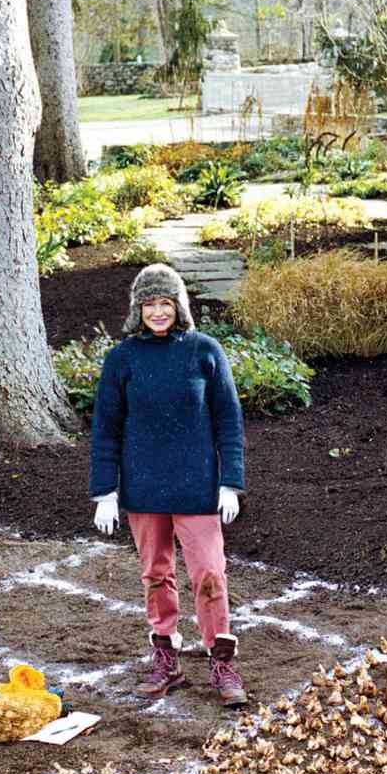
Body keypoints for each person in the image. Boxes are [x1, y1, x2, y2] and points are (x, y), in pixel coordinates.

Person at [89, 263, 248, 706]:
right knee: (156, 575)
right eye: (149, 304)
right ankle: (167, 659)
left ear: (180, 306)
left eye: (166, 303)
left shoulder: (205, 351)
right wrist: (106, 492)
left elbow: (229, 421)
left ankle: (221, 661)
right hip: (144, 489)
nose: (158, 312)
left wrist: (230, 482)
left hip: (198, 486)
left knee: (209, 574)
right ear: (137, 309)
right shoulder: (123, 359)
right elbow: (106, 427)